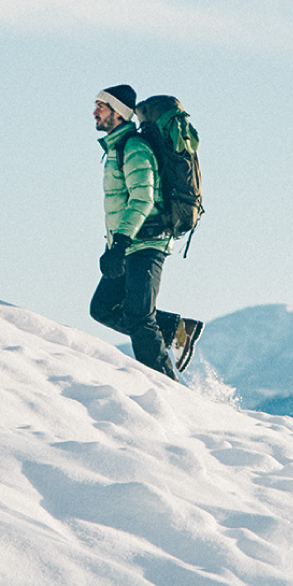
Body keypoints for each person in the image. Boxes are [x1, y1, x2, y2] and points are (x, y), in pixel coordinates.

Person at [89, 84, 202, 380]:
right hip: (128, 243)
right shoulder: (117, 148)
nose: (95, 112)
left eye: (101, 106)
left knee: (139, 316)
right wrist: (115, 244)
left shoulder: (134, 148)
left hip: (148, 241)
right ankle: (177, 330)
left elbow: (143, 199)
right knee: (103, 307)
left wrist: (121, 242)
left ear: (119, 113)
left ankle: (168, 388)